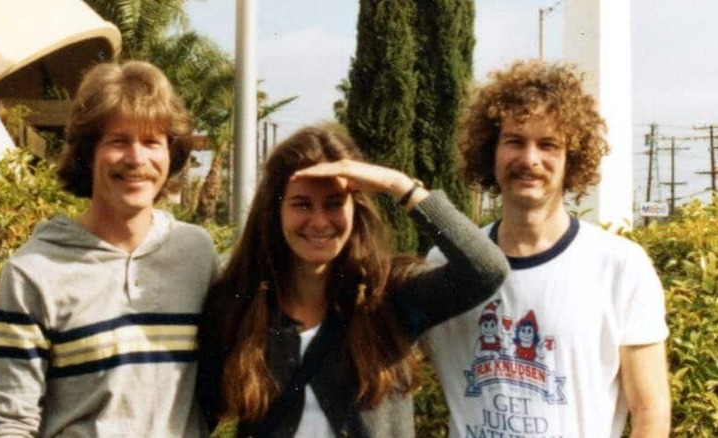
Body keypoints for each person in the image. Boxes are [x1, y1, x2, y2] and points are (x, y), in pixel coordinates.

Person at [197, 125, 509, 437]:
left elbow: (485, 269)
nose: (319, 222)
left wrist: (400, 186)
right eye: (302, 204)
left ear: (355, 209)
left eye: (334, 203)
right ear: (275, 211)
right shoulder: (237, 306)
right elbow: (197, 415)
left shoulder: (390, 298)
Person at [423, 60, 670, 437]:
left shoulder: (620, 266)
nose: (530, 159)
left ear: (572, 158)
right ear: (491, 151)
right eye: (515, 141)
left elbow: (649, 411)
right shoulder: (445, 264)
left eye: (549, 144)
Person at [0, 61, 219, 437]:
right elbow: (11, 421)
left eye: (151, 142)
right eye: (118, 141)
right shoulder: (34, 271)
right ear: (87, 153)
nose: (136, 159)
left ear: (170, 155)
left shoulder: (196, 254)